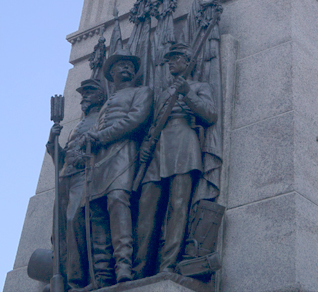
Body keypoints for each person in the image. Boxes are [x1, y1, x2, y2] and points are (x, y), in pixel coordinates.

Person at [134, 43, 217, 277]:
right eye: (169, 59)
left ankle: (167, 265)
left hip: (183, 143)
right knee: (146, 209)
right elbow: (153, 123)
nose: (170, 62)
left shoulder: (199, 87)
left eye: (175, 58)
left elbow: (210, 114)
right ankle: (139, 268)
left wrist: (188, 94)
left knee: (178, 206)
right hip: (158, 148)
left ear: (188, 62)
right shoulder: (162, 93)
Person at [85, 50, 153, 285]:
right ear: (111, 73)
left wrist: (101, 137)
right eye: (121, 65)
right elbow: (95, 131)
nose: (127, 68)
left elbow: (135, 120)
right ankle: (102, 273)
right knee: (96, 210)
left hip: (124, 151)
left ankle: (124, 264)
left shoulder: (141, 92)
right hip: (99, 160)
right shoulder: (104, 105)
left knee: (117, 201)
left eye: (130, 65)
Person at [46, 79, 106, 291]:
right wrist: (53, 142)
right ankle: (60, 278)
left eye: (89, 93)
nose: (84, 97)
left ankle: (77, 281)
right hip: (65, 177)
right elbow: (61, 160)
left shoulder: (103, 117)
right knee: (59, 229)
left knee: (74, 221)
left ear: (100, 97)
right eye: (83, 94)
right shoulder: (77, 125)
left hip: (84, 175)